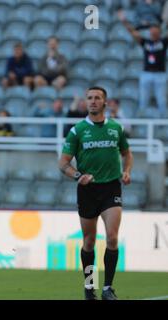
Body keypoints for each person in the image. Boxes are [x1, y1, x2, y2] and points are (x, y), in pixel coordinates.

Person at [58, 86, 133, 300]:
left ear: (105, 103)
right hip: (87, 190)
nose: (93, 101)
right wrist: (77, 176)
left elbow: (128, 154)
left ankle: (108, 288)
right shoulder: (77, 130)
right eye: (89, 98)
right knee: (89, 241)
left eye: (97, 98)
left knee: (111, 237)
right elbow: (63, 163)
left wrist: (126, 172)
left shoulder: (116, 129)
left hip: (111, 187)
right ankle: (90, 286)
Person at [118, 11, 168, 117]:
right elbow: (133, 33)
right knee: (143, 100)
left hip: (160, 74)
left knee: (162, 101)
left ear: (159, 32)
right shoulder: (145, 42)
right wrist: (125, 21)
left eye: (155, 31)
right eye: (152, 31)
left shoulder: (163, 42)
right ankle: (140, 121)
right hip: (147, 73)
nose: (153, 33)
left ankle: (163, 124)